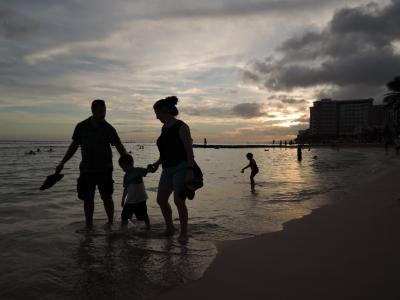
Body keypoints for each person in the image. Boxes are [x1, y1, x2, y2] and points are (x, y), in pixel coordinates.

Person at [55, 99, 127, 228]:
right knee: (87, 199)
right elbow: (74, 146)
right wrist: (62, 162)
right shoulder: (81, 126)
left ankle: (110, 222)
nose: (103, 114)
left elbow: (119, 146)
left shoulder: (108, 128)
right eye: (100, 111)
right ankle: (89, 225)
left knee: (107, 197)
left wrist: (128, 163)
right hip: (87, 170)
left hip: (105, 169)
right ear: (93, 110)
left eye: (104, 111)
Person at [150, 96, 195, 243]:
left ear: (165, 111)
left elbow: (189, 150)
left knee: (178, 201)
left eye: (157, 114)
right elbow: (166, 151)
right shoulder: (164, 127)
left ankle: (184, 233)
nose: (156, 117)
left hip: (181, 168)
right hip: (167, 169)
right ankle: (170, 228)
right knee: (161, 200)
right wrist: (157, 163)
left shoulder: (182, 127)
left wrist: (190, 170)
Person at [119, 154, 153, 230]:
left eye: (123, 167)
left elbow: (148, 170)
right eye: (122, 167)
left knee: (143, 216)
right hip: (130, 201)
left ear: (130, 164)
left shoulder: (138, 170)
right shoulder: (126, 176)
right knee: (124, 216)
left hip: (140, 199)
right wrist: (123, 199)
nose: (123, 169)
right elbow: (126, 189)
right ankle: (123, 229)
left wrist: (150, 168)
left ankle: (148, 227)